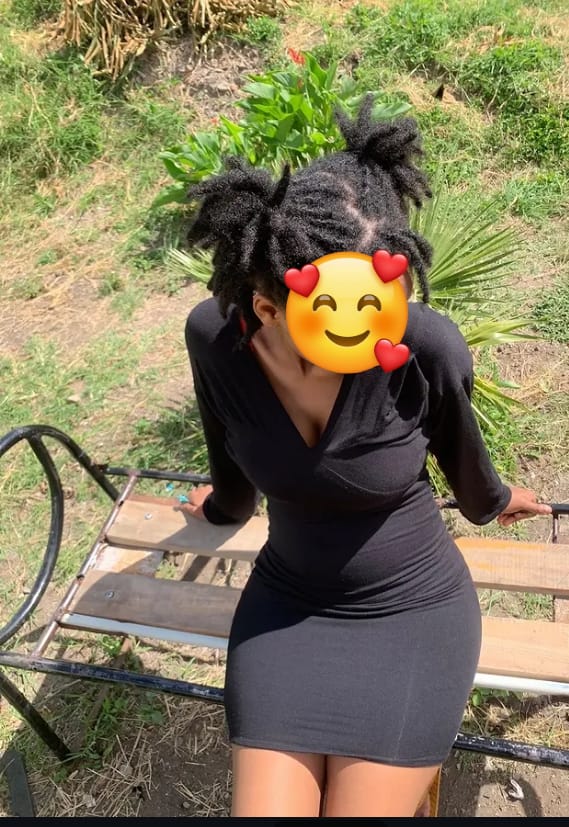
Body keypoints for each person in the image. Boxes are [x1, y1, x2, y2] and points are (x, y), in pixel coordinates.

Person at [181, 98, 551, 817]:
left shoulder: (422, 345)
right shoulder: (216, 340)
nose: (379, 326)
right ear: (268, 306)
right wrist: (221, 507)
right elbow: (228, 461)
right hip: (286, 608)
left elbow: (467, 469)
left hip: (411, 608)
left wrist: (497, 500)